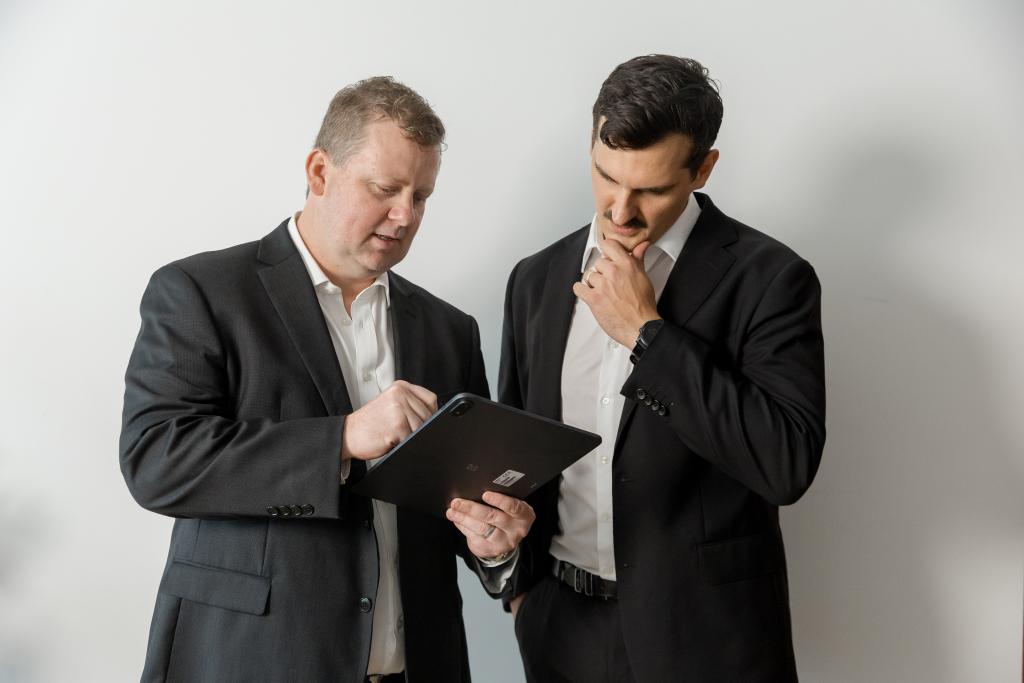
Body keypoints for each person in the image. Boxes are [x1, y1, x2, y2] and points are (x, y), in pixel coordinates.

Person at [120, 76, 534, 683]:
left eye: (421, 197)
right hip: (251, 665)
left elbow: (462, 502)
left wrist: (495, 545)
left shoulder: (450, 330)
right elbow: (157, 460)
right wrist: (341, 438)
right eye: (385, 189)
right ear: (319, 172)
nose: (405, 215)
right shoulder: (200, 292)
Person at [500, 55, 826, 682]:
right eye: (606, 177)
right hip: (560, 633)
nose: (621, 211)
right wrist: (520, 592)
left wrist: (646, 335)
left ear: (703, 170)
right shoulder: (535, 278)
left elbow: (785, 464)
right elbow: (517, 455)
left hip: (707, 646)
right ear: (591, 144)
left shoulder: (771, 279)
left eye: (651, 190)